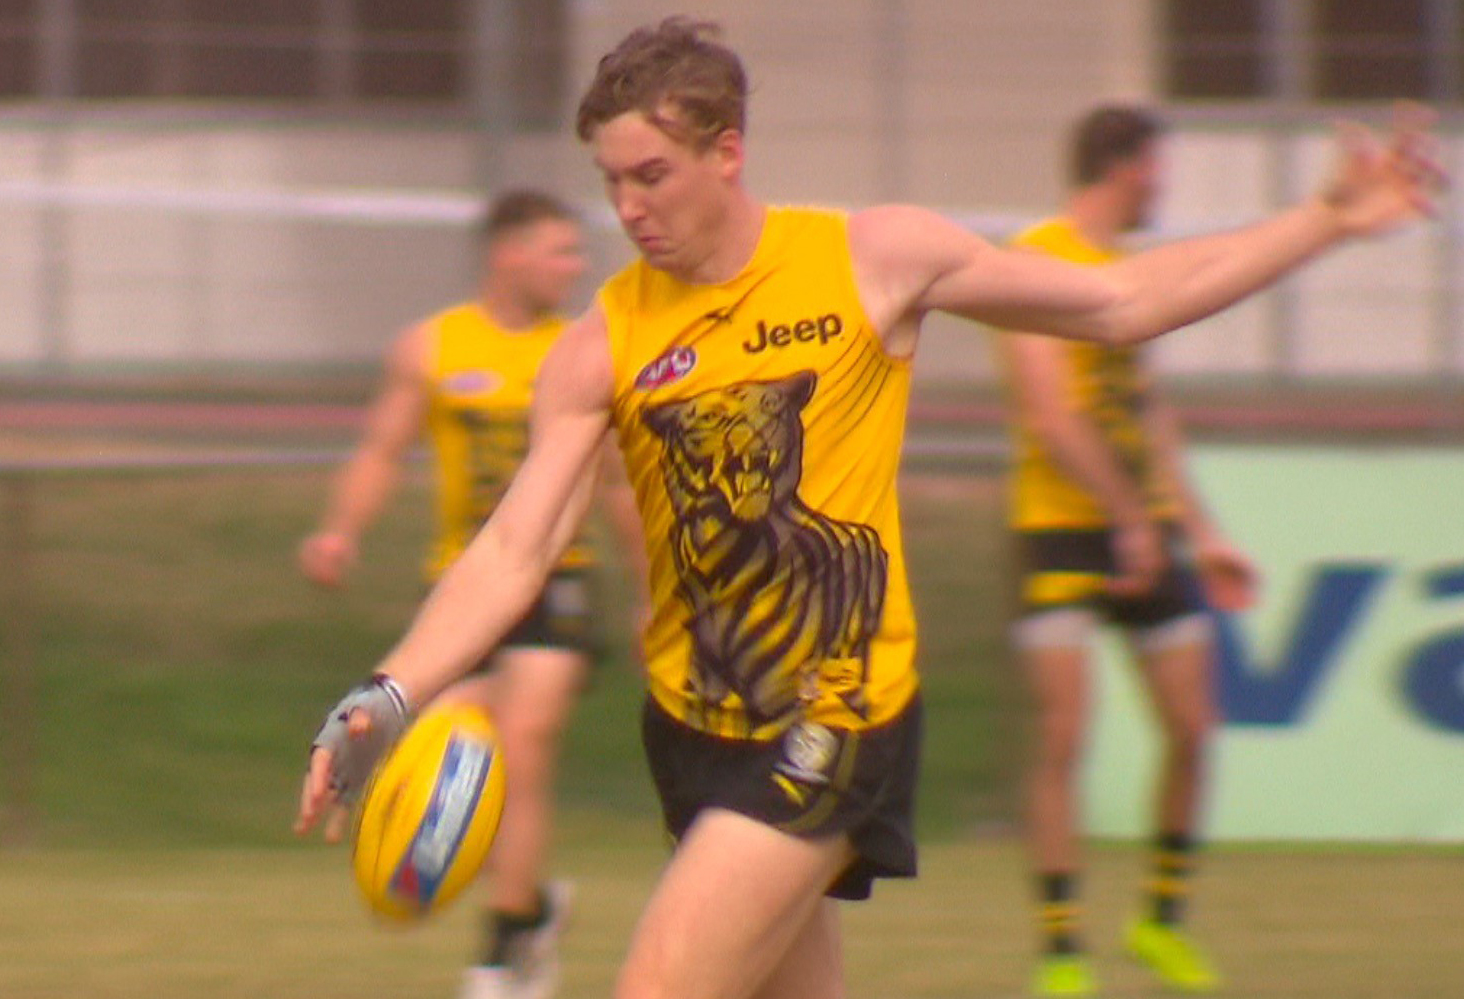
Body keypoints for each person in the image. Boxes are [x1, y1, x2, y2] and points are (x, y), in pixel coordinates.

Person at [296, 17, 1440, 999]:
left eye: (652, 176)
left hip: (834, 715)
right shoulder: (602, 341)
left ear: (728, 152)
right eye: (610, 181)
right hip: (693, 728)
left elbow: (1120, 302)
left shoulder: (869, 258)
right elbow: (516, 546)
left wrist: (1324, 222)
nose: (628, 206)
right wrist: (394, 691)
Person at [297, 189, 646, 999]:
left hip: (559, 579)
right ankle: (530, 911)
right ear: (507, 254)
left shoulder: (583, 351)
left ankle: (502, 952)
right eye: (558, 250)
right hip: (465, 582)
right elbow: (382, 449)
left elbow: (621, 487)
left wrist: (650, 595)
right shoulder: (432, 347)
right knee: (458, 748)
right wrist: (340, 529)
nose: (575, 265)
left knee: (522, 738)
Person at [998, 106, 1258, 996]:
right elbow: (1052, 413)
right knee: (1065, 733)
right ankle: (1064, 948)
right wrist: (1129, 516)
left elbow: (1146, 413)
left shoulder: (1126, 273)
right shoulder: (1036, 259)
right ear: (1125, 165)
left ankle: (1160, 922)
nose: (1166, 185)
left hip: (1140, 522)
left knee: (1193, 729)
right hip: (1059, 529)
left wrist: (1203, 529)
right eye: (1160, 167)